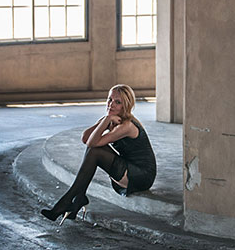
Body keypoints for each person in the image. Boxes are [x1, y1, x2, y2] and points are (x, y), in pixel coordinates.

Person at [40, 84, 157, 224]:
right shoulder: (112, 118)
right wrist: (105, 120)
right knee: (94, 149)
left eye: (117, 102)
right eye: (110, 99)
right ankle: (77, 199)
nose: (111, 104)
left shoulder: (126, 125)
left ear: (126, 105)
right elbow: (85, 138)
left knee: (95, 150)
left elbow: (92, 143)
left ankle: (69, 200)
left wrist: (107, 120)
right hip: (127, 169)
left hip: (141, 175)